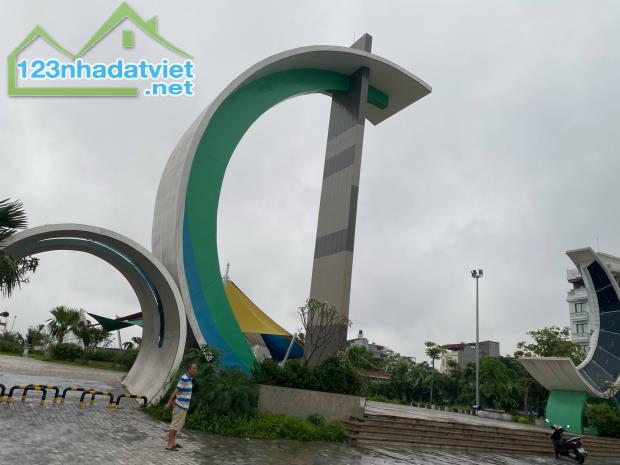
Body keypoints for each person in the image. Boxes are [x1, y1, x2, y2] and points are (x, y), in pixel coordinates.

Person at [164, 362, 198, 451]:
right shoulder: (184, 379)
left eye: (196, 368)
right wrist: (169, 403)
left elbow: (180, 393)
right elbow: (175, 392)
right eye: (194, 368)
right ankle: (169, 445)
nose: (196, 370)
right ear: (189, 369)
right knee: (174, 425)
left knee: (177, 425)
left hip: (183, 406)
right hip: (180, 406)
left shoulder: (189, 379)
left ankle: (173, 442)